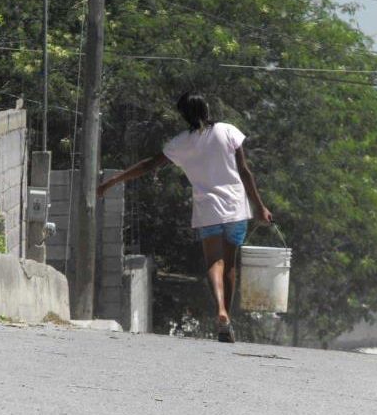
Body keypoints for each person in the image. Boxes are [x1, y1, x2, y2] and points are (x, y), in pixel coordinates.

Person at [97, 92, 272, 343]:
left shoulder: (181, 143)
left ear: (184, 115)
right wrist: (260, 207)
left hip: (207, 209)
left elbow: (148, 164)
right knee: (230, 265)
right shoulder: (228, 131)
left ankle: (220, 309)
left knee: (214, 262)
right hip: (235, 208)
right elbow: (245, 172)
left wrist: (114, 180)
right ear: (207, 109)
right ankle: (227, 317)